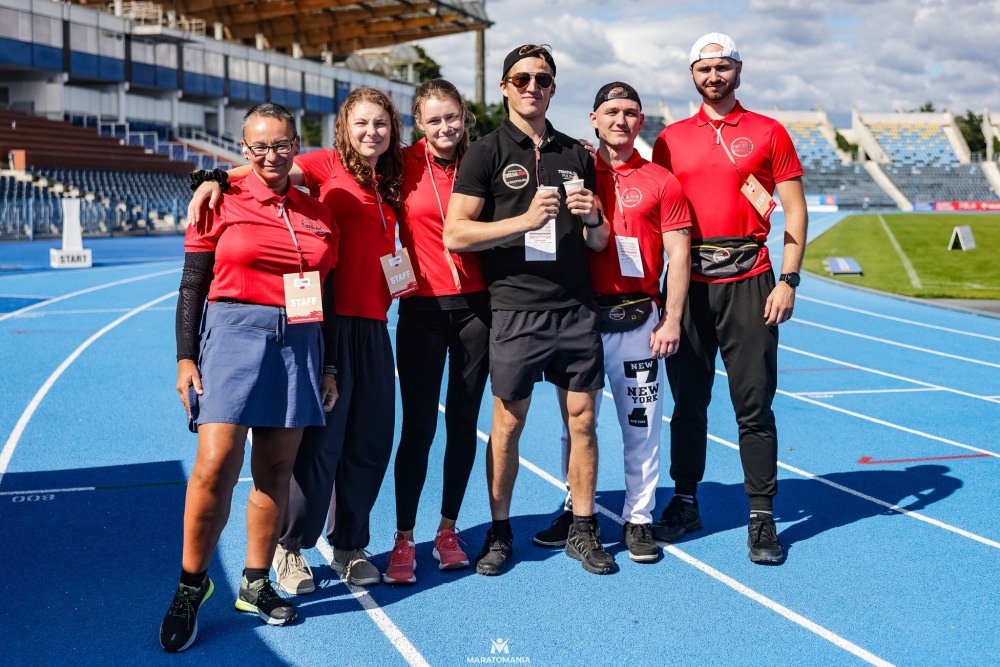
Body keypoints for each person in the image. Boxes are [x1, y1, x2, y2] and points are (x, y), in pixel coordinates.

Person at [189, 86, 405, 590]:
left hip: (375, 323)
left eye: (380, 123)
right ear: (344, 127)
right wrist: (213, 177)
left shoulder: (390, 177)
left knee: (370, 443)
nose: (371, 132)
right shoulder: (325, 165)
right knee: (318, 448)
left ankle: (349, 544)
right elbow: (268, 163)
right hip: (326, 320)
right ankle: (289, 547)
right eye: (361, 123)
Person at [160, 102, 339, 652]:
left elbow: (326, 293)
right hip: (233, 334)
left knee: (276, 469)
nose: (270, 155)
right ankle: (191, 586)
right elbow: (192, 284)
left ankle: (255, 581)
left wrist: (329, 364)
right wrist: (185, 357)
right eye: (259, 146)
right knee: (215, 464)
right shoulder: (219, 199)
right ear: (243, 150)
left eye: (281, 144)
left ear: (296, 145)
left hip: (299, 341)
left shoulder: (317, 212)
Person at [444, 44, 614, 576]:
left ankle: (583, 527)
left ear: (553, 88)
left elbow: (599, 241)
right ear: (505, 87)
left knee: (583, 422)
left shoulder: (576, 153)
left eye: (542, 79)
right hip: (516, 309)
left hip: (575, 307)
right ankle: (500, 532)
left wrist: (593, 218)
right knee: (508, 424)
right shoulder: (485, 152)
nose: (532, 87)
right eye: (521, 79)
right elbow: (456, 233)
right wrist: (522, 222)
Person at [650, 33, 808, 564]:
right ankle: (685, 502)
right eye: (704, 68)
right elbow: (656, 212)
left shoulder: (768, 131)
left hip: (752, 281)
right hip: (689, 285)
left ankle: (761, 515)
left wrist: (788, 280)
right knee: (688, 405)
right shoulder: (670, 139)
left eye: (722, 67)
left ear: (739, 69)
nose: (713, 76)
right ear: (692, 74)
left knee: (754, 406)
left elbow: (794, 209)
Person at [532, 82, 692, 563]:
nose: (620, 120)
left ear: (640, 121)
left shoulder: (662, 181)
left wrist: (672, 319)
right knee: (575, 425)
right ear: (594, 119)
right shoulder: (575, 172)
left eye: (630, 112)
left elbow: (679, 255)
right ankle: (575, 510)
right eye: (611, 112)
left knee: (641, 425)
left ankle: (639, 518)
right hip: (579, 319)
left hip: (639, 320)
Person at [382, 79, 491, 585]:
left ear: (464, 116)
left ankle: (448, 530)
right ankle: (404, 538)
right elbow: (322, 168)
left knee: (463, 424)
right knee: (419, 428)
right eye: (434, 119)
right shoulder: (399, 163)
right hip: (422, 310)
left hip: (477, 311)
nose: (445, 127)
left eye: (452, 117)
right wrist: (222, 176)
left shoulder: (483, 159)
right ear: (419, 123)